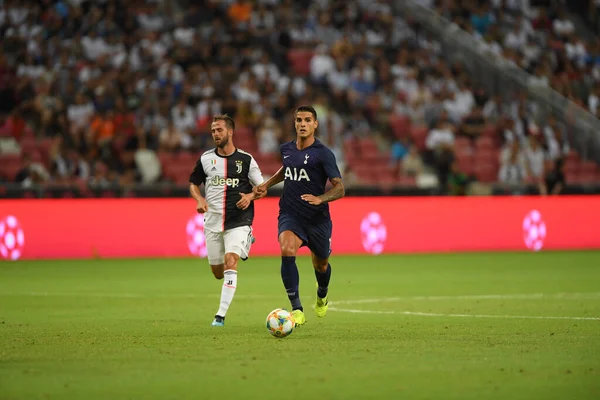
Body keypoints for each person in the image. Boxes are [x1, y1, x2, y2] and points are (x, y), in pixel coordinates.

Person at [253, 105, 345, 326]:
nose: (302, 124)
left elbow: (340, 188)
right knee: (286, 249)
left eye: (307, 120)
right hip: (290, 213)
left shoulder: (324, 153)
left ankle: (322, 294)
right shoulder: (286, 149)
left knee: (321, 264)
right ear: (294, 123)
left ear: (315, 124)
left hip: (317, 219)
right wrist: (266, 184)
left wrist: (320, 199)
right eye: (299, 120)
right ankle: (296, 309)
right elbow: (286, 170)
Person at [188, 114, 264, 327]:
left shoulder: (246, 160)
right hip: (212, 222)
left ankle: (219, 316)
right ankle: (246, 241)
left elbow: (261, 188)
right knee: (218, 273)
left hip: (239, 220)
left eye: (219, 130)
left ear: (230, 132)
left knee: (232, 261)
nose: (215, 134)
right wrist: (199, 198)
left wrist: (250, 196)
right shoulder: (205, 159)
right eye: (213, 131)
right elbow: (193, 183)